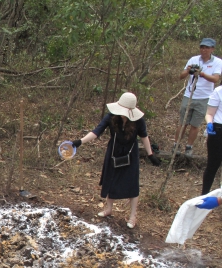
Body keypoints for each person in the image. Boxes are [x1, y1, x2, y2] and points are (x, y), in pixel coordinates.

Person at [70, 92, 161, 229]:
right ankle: (109, 209)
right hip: (113, 151)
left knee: (132, 184)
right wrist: (80, 142)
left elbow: (144, 137)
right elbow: (96, 132)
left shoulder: (138, 121)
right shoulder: (111, 117)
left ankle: (133, 216)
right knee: (110, 179)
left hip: (130, 154)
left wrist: (150, 154)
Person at [174, 38, 222, 157]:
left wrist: (202, 74)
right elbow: (181, 76)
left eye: (207, 48)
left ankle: (189, 147)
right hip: (189, 95)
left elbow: (215, 79)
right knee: (183, 122)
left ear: (212, 49)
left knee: (195, 124)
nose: (204, 50)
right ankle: (176, 145)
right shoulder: (193, 59)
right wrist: (188, 71)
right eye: (202, 47)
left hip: (205, 97)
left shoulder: (218, 62)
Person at [200, 85, 222, 195]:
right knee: (212, 165)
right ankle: (204, 195)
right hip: (218, 131)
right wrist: (209, 124)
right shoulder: (218, 91)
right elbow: (209, 113)